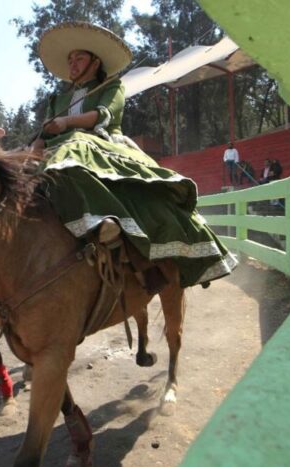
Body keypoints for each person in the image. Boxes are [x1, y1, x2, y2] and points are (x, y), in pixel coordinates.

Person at [31, 21, 236, 289]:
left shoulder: (112, 87)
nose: (73, 63)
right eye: (70, 58)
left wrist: (67, 124)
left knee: (73, 149)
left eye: (79, 57)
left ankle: (109, 224)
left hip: (99, 142)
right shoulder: (56, 100)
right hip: (59, 146)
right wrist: (36, 145)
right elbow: (46, 130)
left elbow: (103, 115)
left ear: (95, 62)